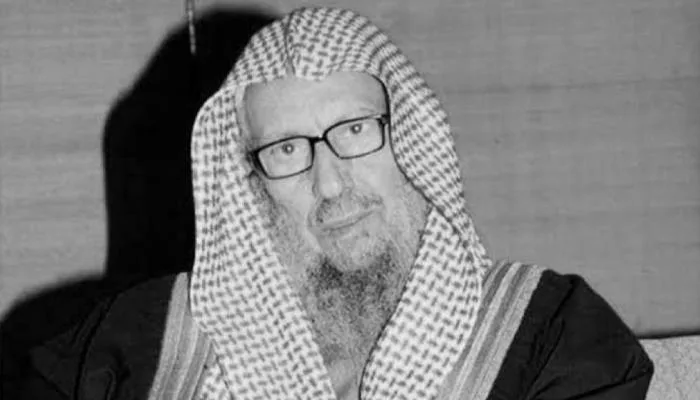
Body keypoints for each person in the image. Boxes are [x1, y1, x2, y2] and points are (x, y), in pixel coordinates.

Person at [20, 6, 653, 399]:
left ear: (411, 137)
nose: (328, 183)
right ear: (248, 180)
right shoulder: (138, 341)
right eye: (285, 149)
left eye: (354, 130)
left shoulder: (548, 331)